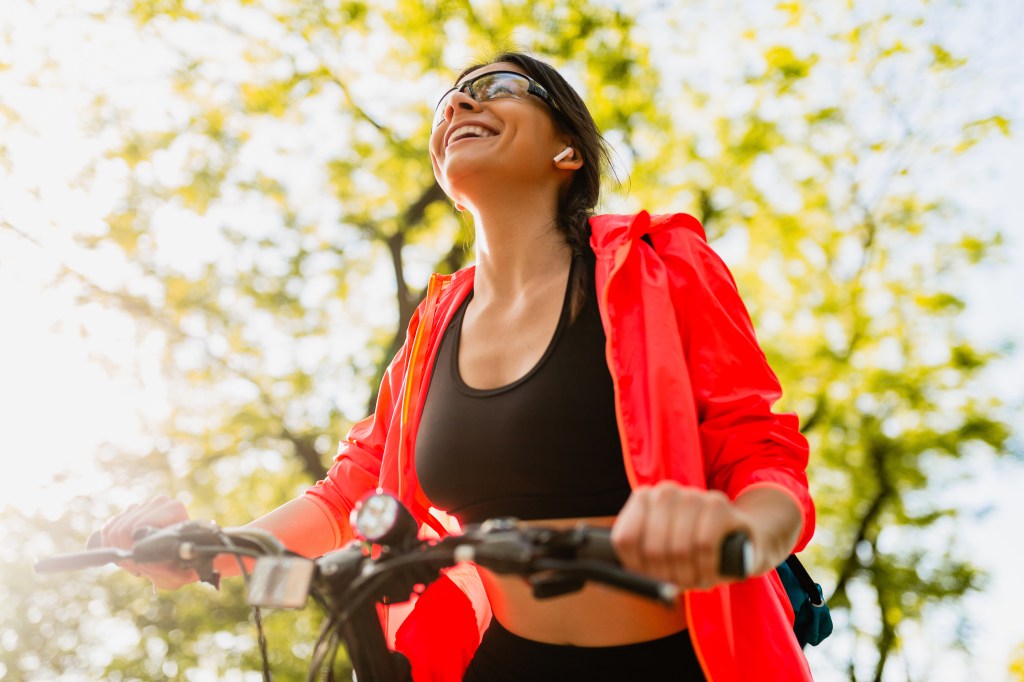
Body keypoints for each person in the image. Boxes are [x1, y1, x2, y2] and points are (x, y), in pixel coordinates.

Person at [100, 52, 816, 682]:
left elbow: (761, 455)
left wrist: (737, 535)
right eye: (452, 100)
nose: (463, 104)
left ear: (569, 151)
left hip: (681, 663)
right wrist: (206, 551)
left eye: (500, 86)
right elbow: (353, 492)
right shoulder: (433, 326)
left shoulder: (659, 264)